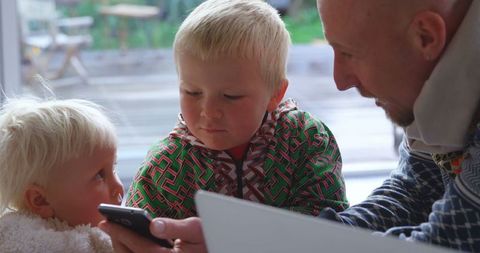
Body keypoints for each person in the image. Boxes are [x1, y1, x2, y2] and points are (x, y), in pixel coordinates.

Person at [100, 0, 480, 252]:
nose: (339, 80)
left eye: (349, 53)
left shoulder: (304, 140)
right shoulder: (439, 98)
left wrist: (247, 244)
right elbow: (414, 189)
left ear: (426, 37)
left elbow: (446, 242)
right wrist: (244, 241)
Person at [125, 0, 348, 220]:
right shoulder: (166, 165)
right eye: (192, 92)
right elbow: (139, 237)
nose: (209, 111)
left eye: (231, 96)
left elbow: (329, 222)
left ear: (275, 94)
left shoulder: (305, 141)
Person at [0, 97, 124, 252]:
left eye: (114, 168)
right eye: (99, 176)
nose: (119, 187)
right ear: (41, 200)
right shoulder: (29, 245)